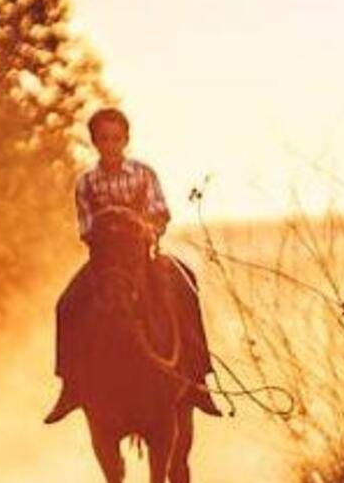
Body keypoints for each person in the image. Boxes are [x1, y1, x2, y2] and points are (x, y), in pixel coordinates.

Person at [44, 106, 222, 423]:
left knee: (185, 284)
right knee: (66, 304)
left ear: (126, 139)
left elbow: (160, 212)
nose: (110, 145)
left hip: (144, 257)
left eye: (116, 138)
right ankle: (70, 385)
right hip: (105, 262)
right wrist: (110, 234)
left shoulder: (143, 173)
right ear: (95, 142)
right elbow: (86, 227)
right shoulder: (87, 182)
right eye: (103, 139)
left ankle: (198, 377)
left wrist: (144, 230)